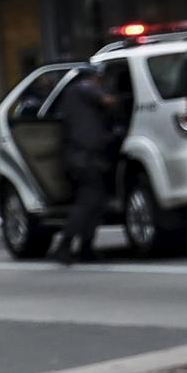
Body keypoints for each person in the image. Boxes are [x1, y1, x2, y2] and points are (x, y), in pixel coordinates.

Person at [54, 64, 118, 265]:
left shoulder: (72, 98)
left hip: (82, 157)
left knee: (94, 203)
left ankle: (85, 248)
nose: (100, 83)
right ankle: (66, 246)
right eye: (98, 79)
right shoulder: (83, 88)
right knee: (87, 203)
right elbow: (106, 100)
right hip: (84, 158)